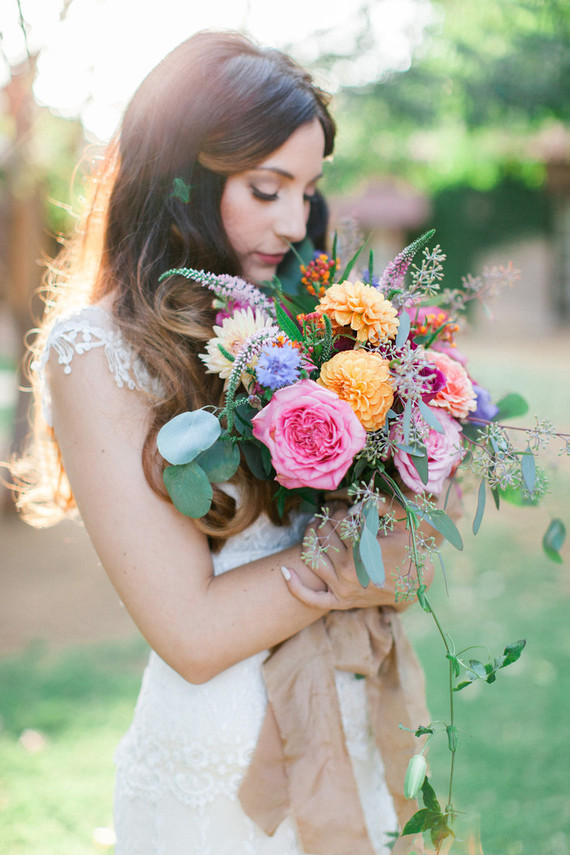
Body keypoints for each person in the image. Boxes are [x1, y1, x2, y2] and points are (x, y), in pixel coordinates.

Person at [11, 31, 434, 855]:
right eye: (265, 188)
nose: (294, 220)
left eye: (307, 191)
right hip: (217, 773)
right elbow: (194, 634)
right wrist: (356, 564)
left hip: (340, 729)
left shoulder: (308, 329)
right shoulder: (94, 350)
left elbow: (410, 559)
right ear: (181, 181)